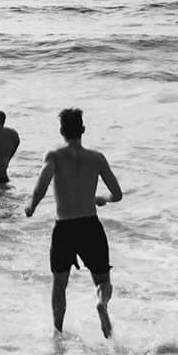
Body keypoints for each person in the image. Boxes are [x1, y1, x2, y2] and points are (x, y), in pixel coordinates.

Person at [25, 107, 122, 337]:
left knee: (60, 284)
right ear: (83, 130)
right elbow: (117, 194)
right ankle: (101, 303)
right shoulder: (96, 158)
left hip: (65, 228)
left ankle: (57, 333)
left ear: (61, 131)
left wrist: (31, 206)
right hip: (90, 226)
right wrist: (102, 199)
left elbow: (42, 184)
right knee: (102, 280)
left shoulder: (54, 156)